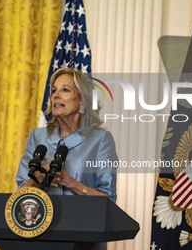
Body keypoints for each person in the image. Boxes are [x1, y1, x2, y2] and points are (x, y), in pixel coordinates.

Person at [16, 67, 118, 202]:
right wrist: (35, 180)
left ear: (82, 101)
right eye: (53, 90)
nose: (55, 95)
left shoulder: (100, 140)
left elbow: (108, 199)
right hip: (41, 219)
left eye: (65, 90)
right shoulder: (37, 137)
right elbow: (19, 195)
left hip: (82, 220)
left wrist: (72, 183)